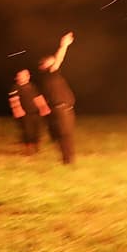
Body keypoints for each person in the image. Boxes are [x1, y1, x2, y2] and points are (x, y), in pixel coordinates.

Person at [36, 32, 77, 163]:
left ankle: (68, 158)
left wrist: (44, 109)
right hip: (61, 109)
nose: (53, 60)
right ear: (44, 66)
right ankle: (68, 160)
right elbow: (59, 59)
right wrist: (64, 45)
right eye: (50, 60)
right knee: (65, 134)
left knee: (65, 134)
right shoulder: (49, 73)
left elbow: (40, 97)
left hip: (64, 108)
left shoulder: (48, 77)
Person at [7, 68, 50, 155]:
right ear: (17, 77)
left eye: (25, 75)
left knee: (36, 130)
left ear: (28, 76)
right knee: (27, 131)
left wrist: (44, 107)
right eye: (20, 75)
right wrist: (17, 110)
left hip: (35, 113)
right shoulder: (15, 88)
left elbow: (38, 97)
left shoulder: (32, 86)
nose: (23, 77)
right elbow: (14, 100)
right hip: (24, 114)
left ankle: (36, 147)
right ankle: (28, 149)